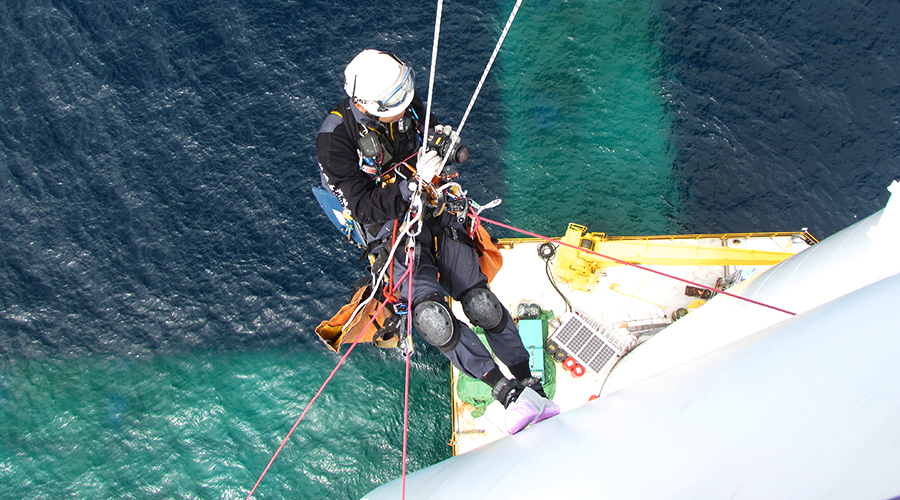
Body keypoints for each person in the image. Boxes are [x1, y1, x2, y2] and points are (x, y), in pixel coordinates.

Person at [315, 49, 559, 434]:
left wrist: (444, 146)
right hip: (392, 226)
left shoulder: (405, 105)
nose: (405, 105)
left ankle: (528, 379)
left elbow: (431, 127)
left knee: (480, 302)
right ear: (366, 103)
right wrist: (410, 186)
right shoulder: (336, 140)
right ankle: (505, 392)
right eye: (395, 102)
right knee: (432, 319)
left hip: (435, 207)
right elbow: (361, 206)